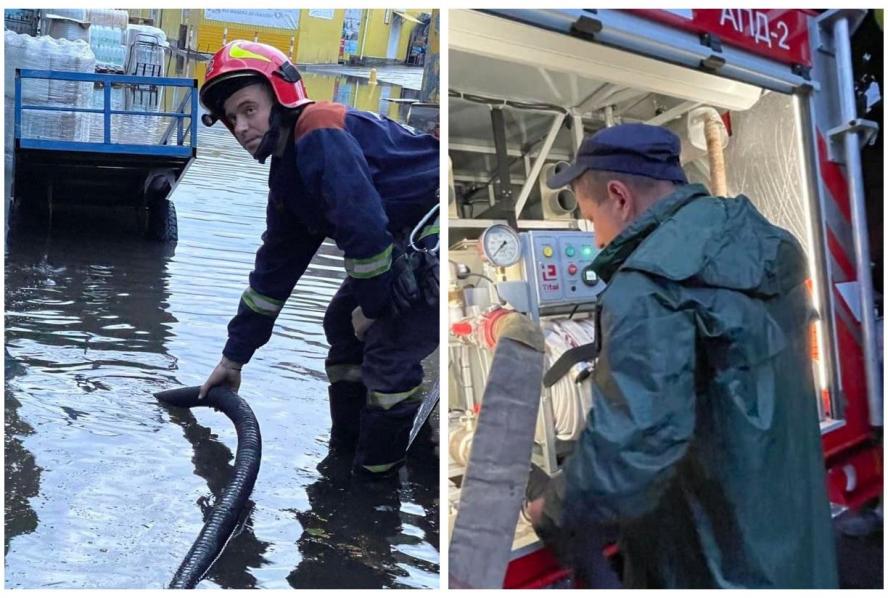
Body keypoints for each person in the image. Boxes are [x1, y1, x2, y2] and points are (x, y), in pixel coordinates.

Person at [528, 123, 838, 588]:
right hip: (793, 546)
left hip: (714, 563)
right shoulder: (766, 242)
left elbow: (634, 444)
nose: (595, 241)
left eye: (592, 220)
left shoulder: (648, 286)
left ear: (619, 196)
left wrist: (551, 508)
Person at [196, 40, 439, 478]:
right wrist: (234, 359)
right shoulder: (287, 175)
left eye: (249, 109)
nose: (242, 127)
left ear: (281, 96)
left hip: (440, 234)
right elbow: (273, 273)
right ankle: (344, 455)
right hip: (400, 241)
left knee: (387, 353)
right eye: (232, 119)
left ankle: (373, 488)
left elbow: (364, 232)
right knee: (340, 324)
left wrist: (375, 307)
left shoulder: (319, 132)